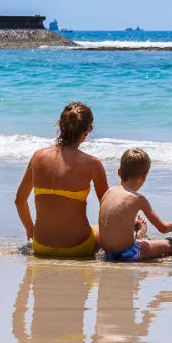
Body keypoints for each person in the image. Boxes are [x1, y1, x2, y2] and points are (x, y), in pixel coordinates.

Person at [15, 102, 111, 258]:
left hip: (41, 246)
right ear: (86, 132)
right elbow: (108, 209)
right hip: (79, 247)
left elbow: (19, 200)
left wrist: (30, 230)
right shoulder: (92, 164)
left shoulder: (38, 157)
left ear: (60, 126)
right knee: (100, 230)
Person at [98, 148, 172, 262]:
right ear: (144, 177)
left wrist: (132, 221)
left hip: (108, 254)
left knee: (144, 242)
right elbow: (163, 228)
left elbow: (111, 219)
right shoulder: (138, 199)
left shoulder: (108, 192)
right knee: (167, 245)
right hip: (127, 254)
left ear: (119, 172)